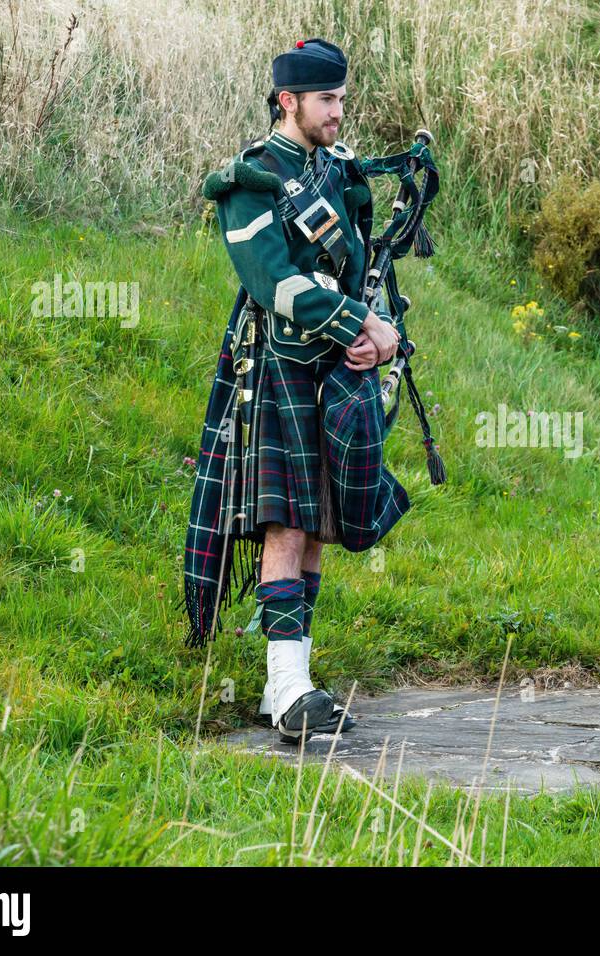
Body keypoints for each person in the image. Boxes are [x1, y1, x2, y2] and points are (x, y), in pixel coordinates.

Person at [182, 38, 403, 743]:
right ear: (289, 102)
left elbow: (364, 269)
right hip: (277, 365)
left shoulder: (338, 172)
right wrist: (358, 324)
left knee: (317, 531)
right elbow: (271, 283)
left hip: (335, 370)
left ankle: (294, 686)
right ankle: (285, 688)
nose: (340, 111)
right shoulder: (249, 179)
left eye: (342, 97)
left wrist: (380, 329)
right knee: (285, 524)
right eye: (328, 100)